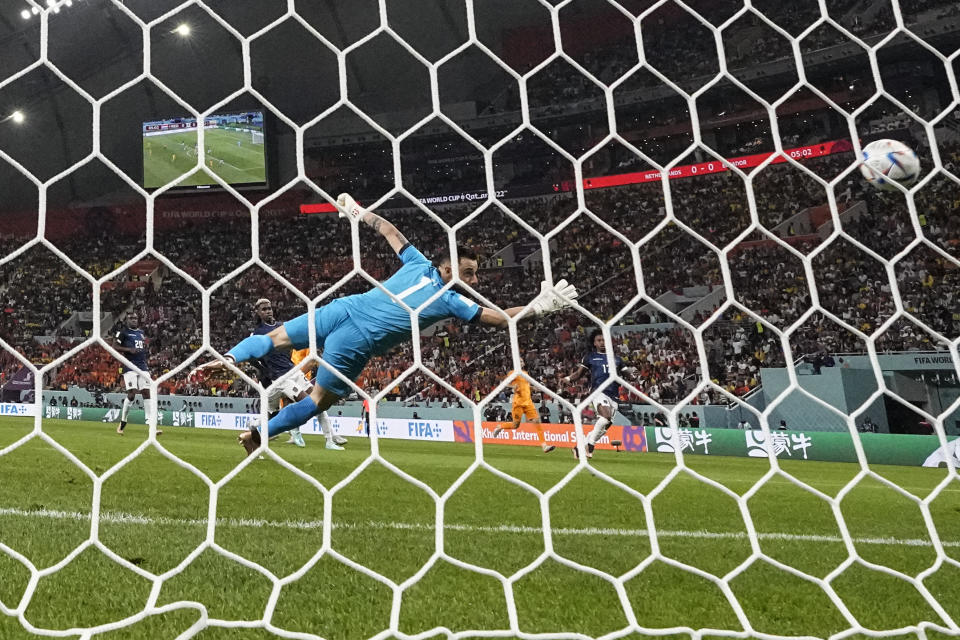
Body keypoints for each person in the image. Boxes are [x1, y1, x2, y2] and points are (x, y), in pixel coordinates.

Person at [191, 193, 578, 455]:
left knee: (273, 337)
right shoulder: (450, 299)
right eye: (470, 273)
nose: (474, 281)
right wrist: (537, 307)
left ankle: (228, 356)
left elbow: (389, 230)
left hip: (343, 308)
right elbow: (497, 318)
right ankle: (258, 435)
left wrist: (359, 213)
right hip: (358, 342)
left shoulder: (418, 262)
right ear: (447, 269)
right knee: (317, 402)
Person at [249, 298, 346, 451]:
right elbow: (251, 356)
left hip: (293, 371)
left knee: (318, 402)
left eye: (269, 308)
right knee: (306, 404)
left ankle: (329, 441)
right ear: (258, 313)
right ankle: (266, 429)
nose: (268, 311)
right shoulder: (256, 334)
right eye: (264, 309)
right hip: (279, 378)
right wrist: (264, 370)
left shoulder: (282, 326)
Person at [561, 329, 634, 459]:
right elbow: (578, 374)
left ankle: (579, 447)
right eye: (599, 340)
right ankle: (590, 445)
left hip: (614, 395)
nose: (602, 342)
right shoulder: (590, 357)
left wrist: (634, 375)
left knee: (606, 424)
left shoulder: (617, 359)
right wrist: (567, 379)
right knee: (605, 417)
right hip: (598, 391)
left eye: (604, 340)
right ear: (594, 343)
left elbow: (629, 374)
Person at [114, 312, 157, 435]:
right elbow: (114, 346)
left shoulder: (141, 333)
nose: (133, 320)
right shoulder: (122, 332)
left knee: (146, 392)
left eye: (135, 318)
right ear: (127, 320)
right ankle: (123, 422)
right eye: (131, 318)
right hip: (130, 366)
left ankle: (150, 425)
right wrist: (129, 350)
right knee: (132, 394)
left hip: (142, 366)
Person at [492, 371, 555, 453]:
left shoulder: (526, 373)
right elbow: (505, 383)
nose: (521, 362)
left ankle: (544, 446)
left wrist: (533, 388)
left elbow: (525, 386)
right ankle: (500, 426)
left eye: (522, 361)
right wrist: (513, 387)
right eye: (520, 360)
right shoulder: (513, 373)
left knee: (537, 422)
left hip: (528, 402)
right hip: (518, 403)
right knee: (515, 425)